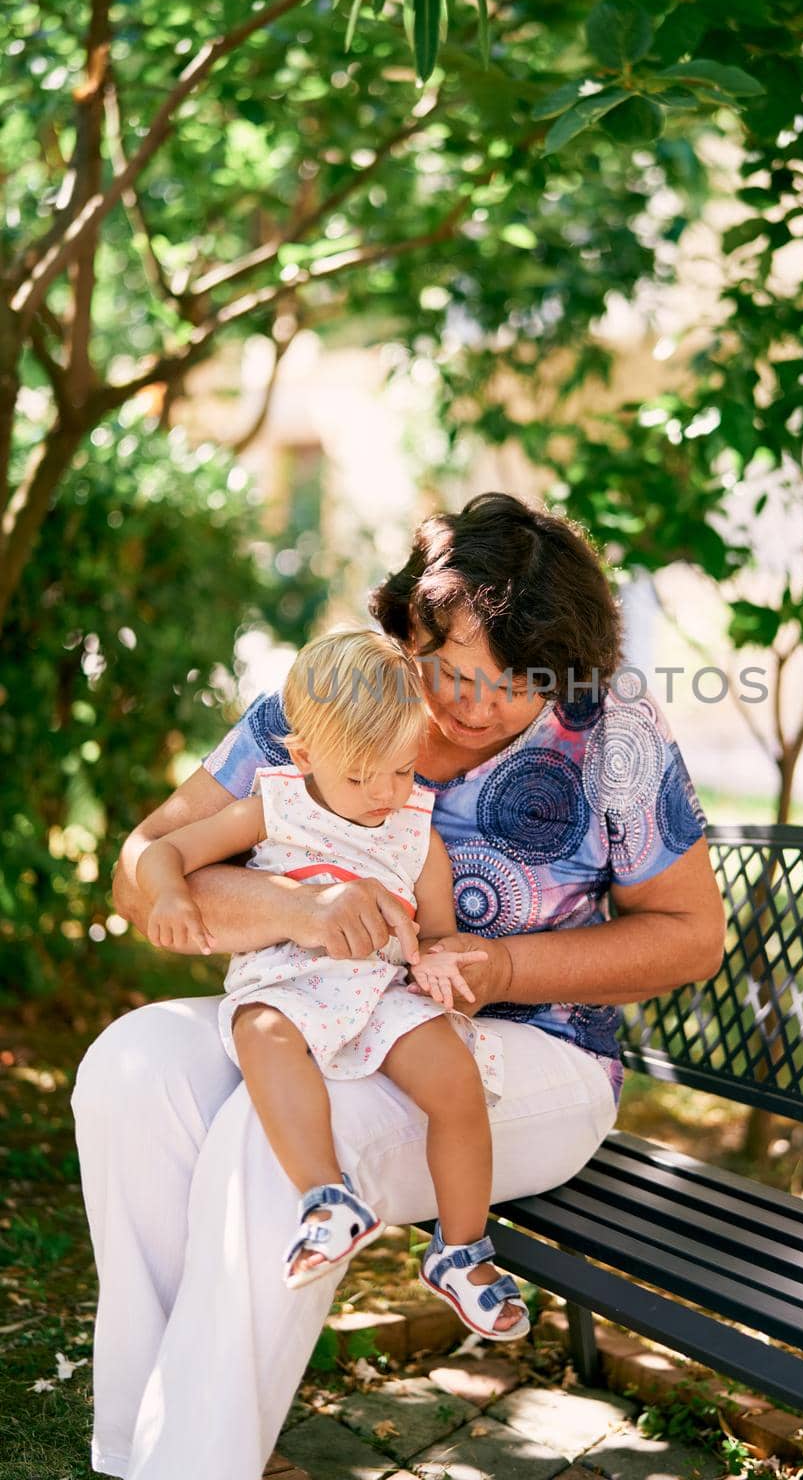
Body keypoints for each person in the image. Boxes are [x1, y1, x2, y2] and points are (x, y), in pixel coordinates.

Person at [72, 490, 726, 1480]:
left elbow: (691, 938)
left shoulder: (613, 732)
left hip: (527, 1054)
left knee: (273, 1137)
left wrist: (502, 963)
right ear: (407, 629)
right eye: (454, 671)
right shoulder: (333, 700)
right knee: (132, 1066)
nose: (475, 705)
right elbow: (147, 866)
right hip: (312, 994)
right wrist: (298, 911)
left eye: (517, 685)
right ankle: (140, 1451)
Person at [133, 624, 527, 1334]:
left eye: (403, 770)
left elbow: (435, 929)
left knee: (458, 1083)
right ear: (308, 755)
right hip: (290, 978)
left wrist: (438, 956)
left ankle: (461, 1250)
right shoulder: (273, 806)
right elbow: (164, 852)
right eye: (360, 775)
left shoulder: (415, 831)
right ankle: (328, 1198)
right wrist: (169, 895)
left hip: (382, 989)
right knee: (262, 1034)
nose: (385, 793)